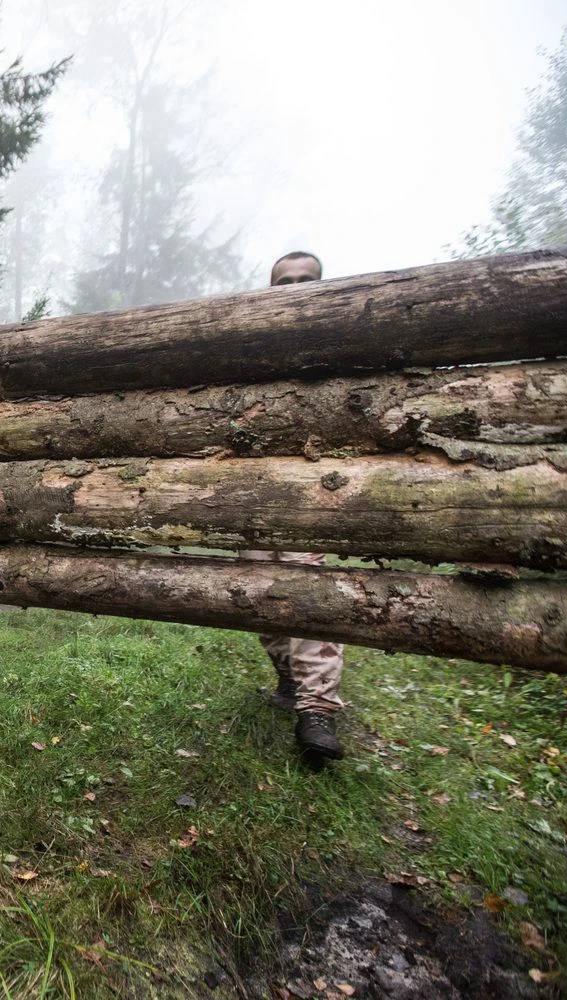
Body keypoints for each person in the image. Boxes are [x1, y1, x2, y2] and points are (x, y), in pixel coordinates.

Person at [247, 250, 346, 763]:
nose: (296, 288)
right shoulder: (253, 349)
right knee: (262, 601)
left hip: (313, 495)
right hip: (255, 497)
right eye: (284, 282)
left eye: (306, 279)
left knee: (308, 596)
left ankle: (317, 712)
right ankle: (288, 675)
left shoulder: (341, 344)